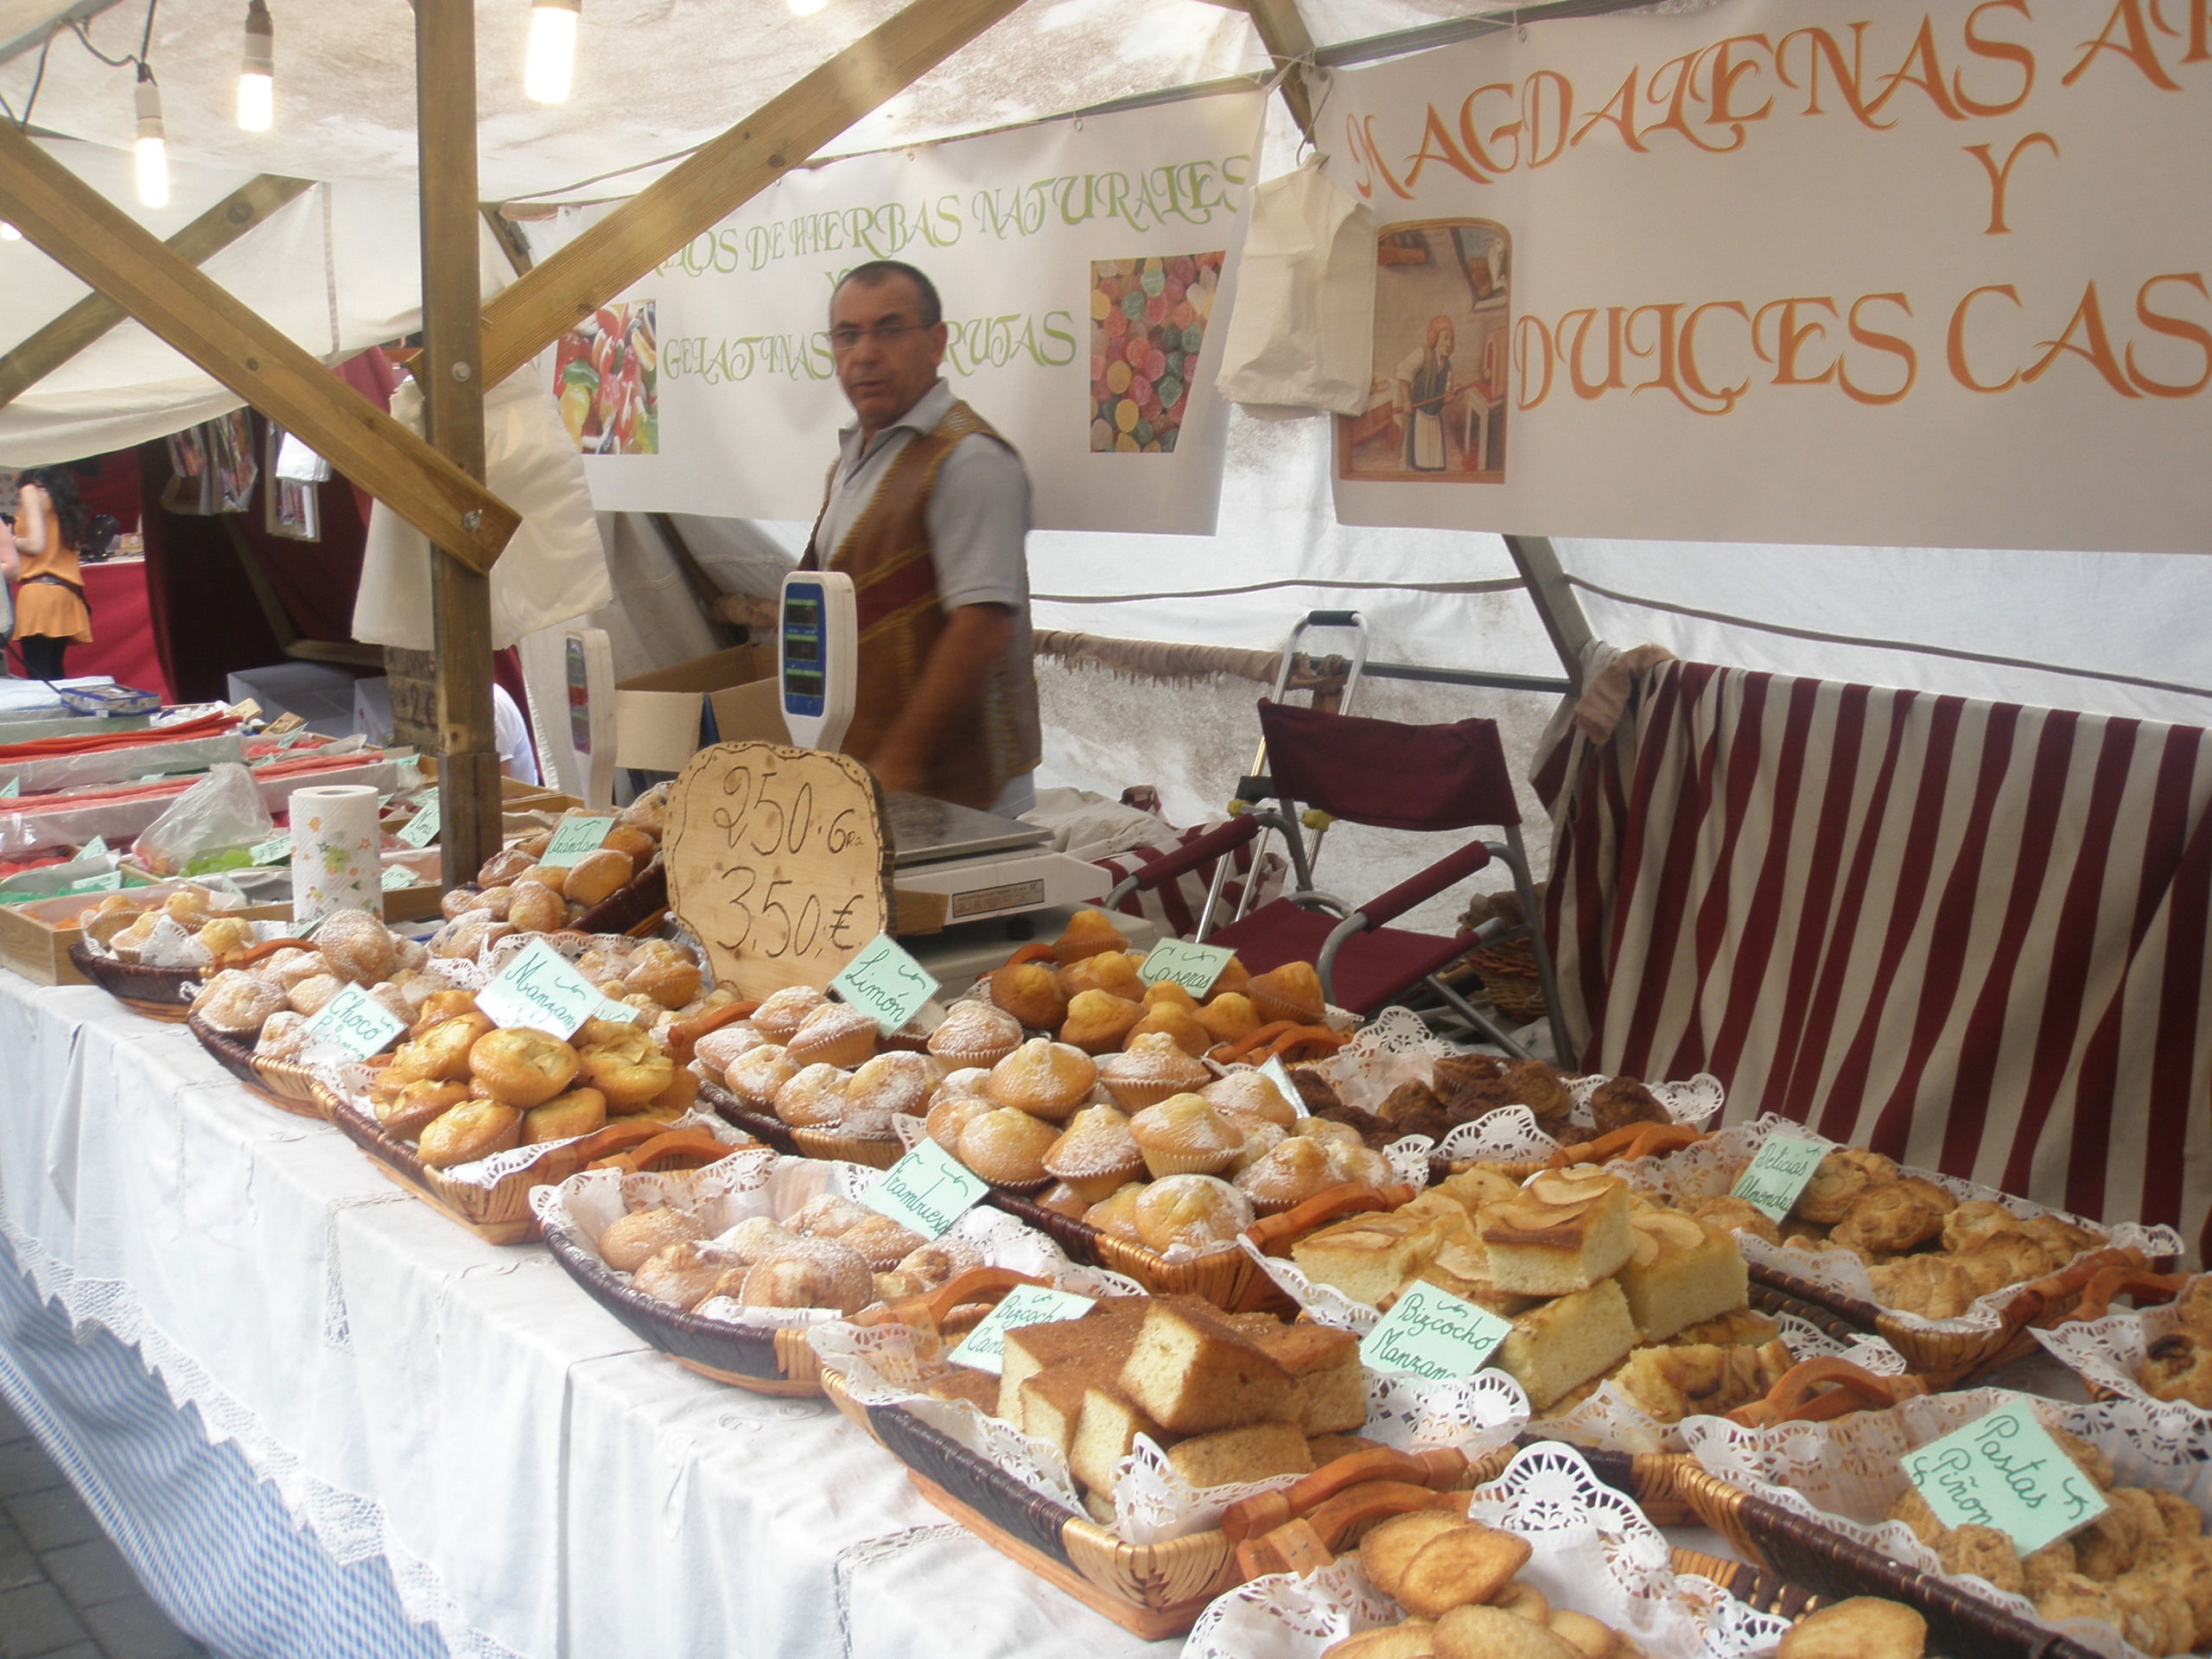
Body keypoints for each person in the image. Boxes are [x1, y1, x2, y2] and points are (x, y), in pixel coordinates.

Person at [800, 259, 1040, 816]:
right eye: (847, 334)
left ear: (936, 342)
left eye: (888, 330)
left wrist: (898, 767)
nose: (865, 353)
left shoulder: (971, 458)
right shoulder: (853, 461)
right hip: (870, 783)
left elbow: (981, 627)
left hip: (955, 794)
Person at [7, 466, 94, 681]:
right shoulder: (57, 492)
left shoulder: (30, 490)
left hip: (39, 594)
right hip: (65, 593)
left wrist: (9, 539)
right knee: (55, 673)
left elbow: (36, 545)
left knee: (40, 678)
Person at [1392, 315, 1456, 473]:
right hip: (1419, 416)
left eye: (1451, 340)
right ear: (1435, 338)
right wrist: (1406, 400)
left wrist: (1451, 397)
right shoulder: (1423, 354)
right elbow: (1403, 373)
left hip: (1434, 419)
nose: (1449, 344)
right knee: (1418, 460)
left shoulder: (1447, 366)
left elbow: (1445, 395)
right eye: (1445, 338)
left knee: (1435, 462)